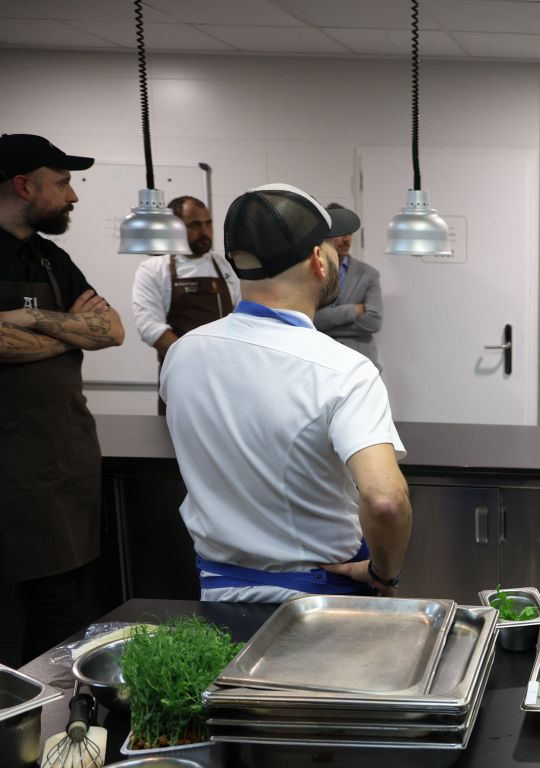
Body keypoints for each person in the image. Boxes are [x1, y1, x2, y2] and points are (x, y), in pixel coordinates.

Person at [160, 184, 410, 603]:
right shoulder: (343, 370)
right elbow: (385, 500)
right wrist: (384, 575)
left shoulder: (184, 353)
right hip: (321, 602)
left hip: (219, 596)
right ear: (318, 260)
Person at [0, 133, 125, 660]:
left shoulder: (50, 258)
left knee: (66, 607)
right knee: (38, 617)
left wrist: (30, 319)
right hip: (13, 470)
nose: (73, 196)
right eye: (63, 182)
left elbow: (112, 329)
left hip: (64, 462)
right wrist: (69, 330)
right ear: (24, 185)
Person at [130, 195, 241, 414]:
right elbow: (151, 328)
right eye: (195, 225)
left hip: (226, 380)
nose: (205, 231)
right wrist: (197, 364)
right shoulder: (153, 269)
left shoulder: (225, 265)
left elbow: (241, 316)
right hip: (181, 378)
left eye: (208, 223)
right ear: (174, 228)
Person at [314, 203, 383, 368]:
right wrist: (353, 310)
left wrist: (326, 326)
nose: (347, 239)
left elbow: (373, 322)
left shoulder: (369, 274)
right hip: (321, 362)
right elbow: (312, 319)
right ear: (325, 235)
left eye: (350, 234)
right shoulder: (312, 272)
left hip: (361, 363)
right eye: (341, 234)